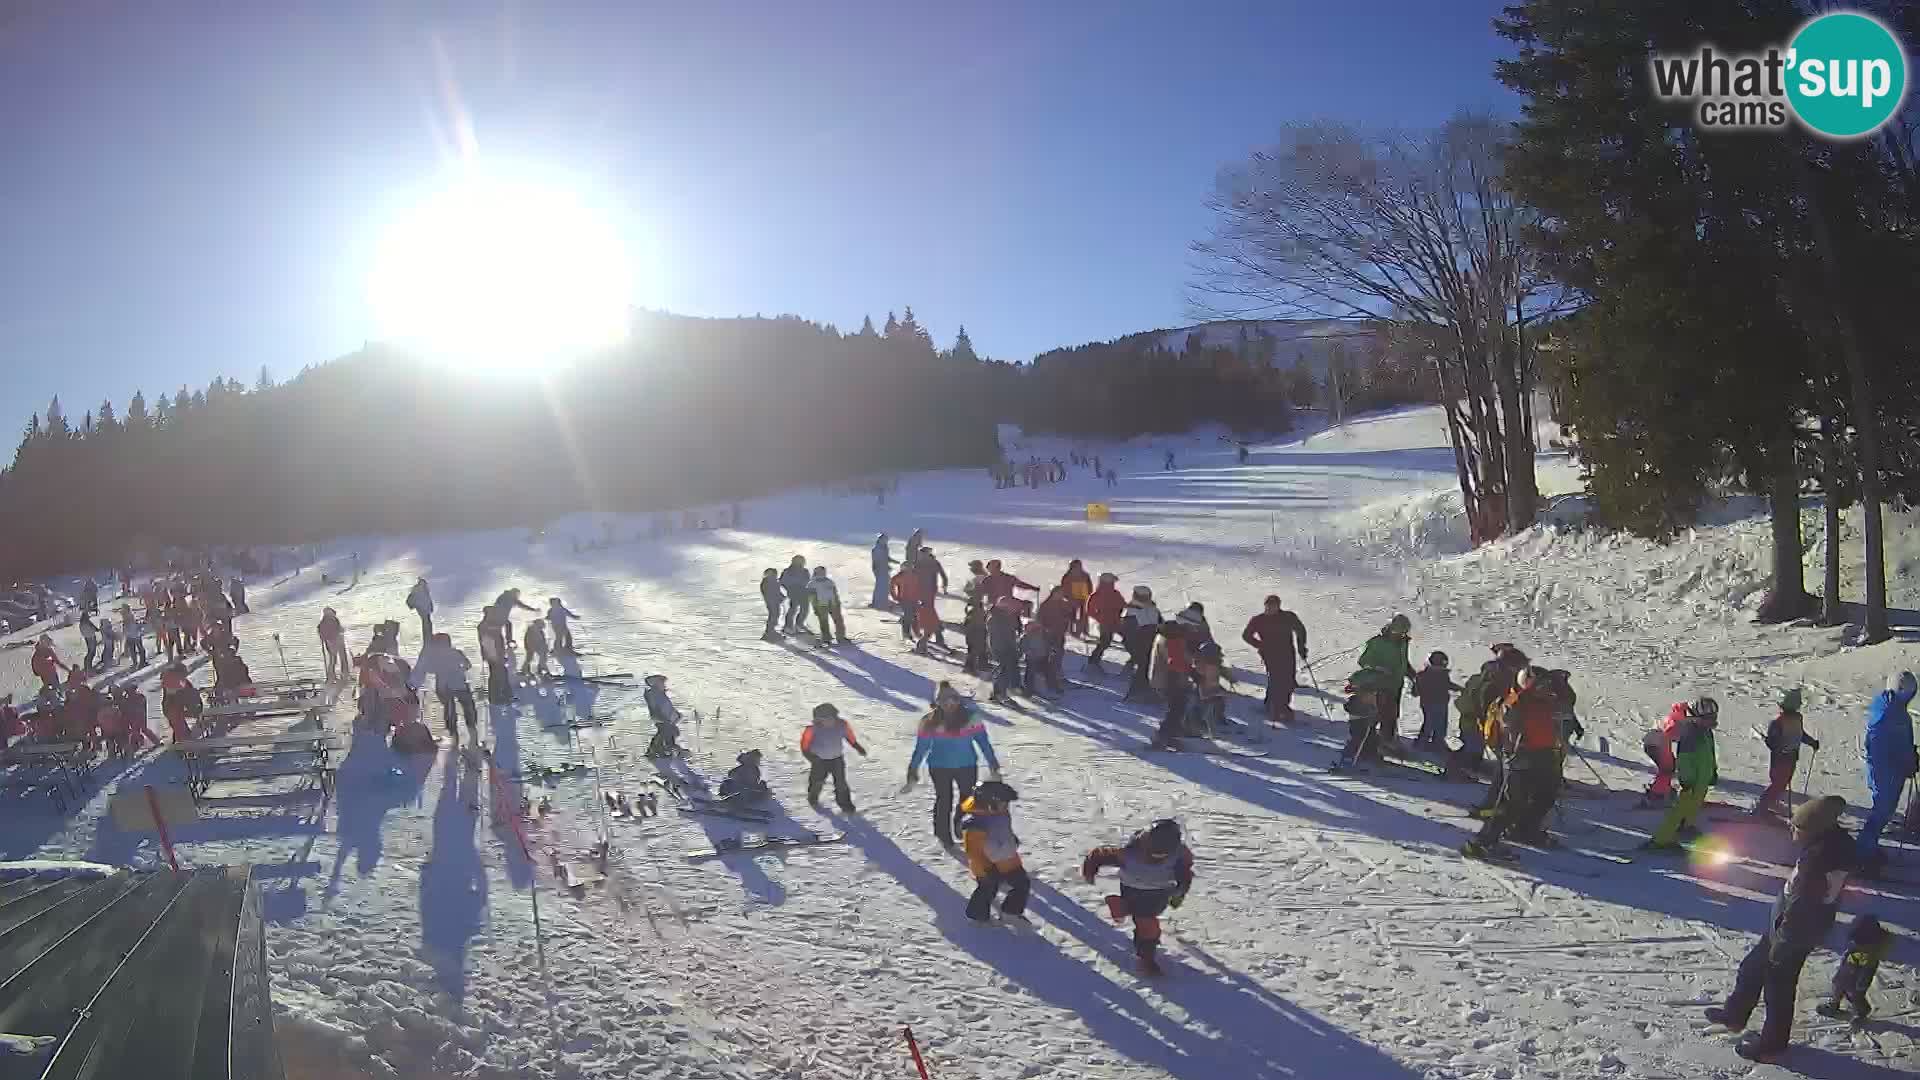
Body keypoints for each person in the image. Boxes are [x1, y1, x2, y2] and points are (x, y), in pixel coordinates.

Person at [1705, 795, 1854, 1062]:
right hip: (1786, 926)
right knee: (1752, 968)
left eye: (1797, 827)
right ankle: (1735, 1014)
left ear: (1813, 831)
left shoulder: (1817, 862)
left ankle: (1773, 1043)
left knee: (1778, 986)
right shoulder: (1827, 846)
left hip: (1794, 932)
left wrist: (1784, 940)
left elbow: (1803, 906)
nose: (1792, 830)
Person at [1461, 667, 1565, 859]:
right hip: (1522, 756)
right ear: (1527, 684)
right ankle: (1482, 843)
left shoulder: (1548, 701)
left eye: (1546, 685)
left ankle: (1526, 830)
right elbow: (1509, 727)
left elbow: (1555, 721)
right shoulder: (1516, 702)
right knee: (1513, 802)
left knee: (1547, 795)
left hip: (1545, 754)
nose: (1545, 688)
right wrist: (1515, 749)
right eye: (1540, 685)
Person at [1083, 819, 1195, 976]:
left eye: (1162, 855)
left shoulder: (1179, 854)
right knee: (1148, 926)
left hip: (1160, 893)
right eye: (1153, 853)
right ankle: (1146, 960)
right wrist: (1090, 867)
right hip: (1132, 888)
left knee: (1147, 917)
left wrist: (1180, 891)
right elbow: (1101, 855)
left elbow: (1185, 872)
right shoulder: (1130, 851)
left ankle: (1122, 908)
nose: (1156, 857)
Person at [907, 683, 1002, 845]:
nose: (950, 704)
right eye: (944, 700)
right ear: (937, 702)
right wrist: (913, 768)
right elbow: (921, 748)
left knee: (968, 797)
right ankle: (943, 834)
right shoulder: (929, 721)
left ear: (958, 700)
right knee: (944, 799)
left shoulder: (971, 717)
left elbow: (983, 742)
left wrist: (992, 762)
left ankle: (961, 823)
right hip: (939, 767)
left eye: (953, 699)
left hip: (967, 765)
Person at [1857, 671, 1916, 875]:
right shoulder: (1891, 714)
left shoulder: (1891, 709)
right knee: (1881, 811)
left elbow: (1900, 743)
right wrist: (1906, 760)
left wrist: (1909, 757)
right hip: (1886, 771)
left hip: (1891, 770)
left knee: (1884, 811)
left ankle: (1869, 847)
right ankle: (1862, 854)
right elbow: (1887, 746)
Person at [1644, 697, 1719, 851]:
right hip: (1691, 779)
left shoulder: (1706, 732)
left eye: (1714, 717)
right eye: (1709, 718)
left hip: (1702, 777)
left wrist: (1713, 771)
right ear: (1698, 718)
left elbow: (1710, 753)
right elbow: (1684, 759)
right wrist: (1686, 779)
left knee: (1695, 804)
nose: (1713, 721)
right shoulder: (1689, 734)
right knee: (1680, 809)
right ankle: (1661, 840)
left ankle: (1687, 825)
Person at [960, 780, 1028, 924]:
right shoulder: (975, 824)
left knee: (1022, 883)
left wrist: (1011, 839)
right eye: (1004, 802)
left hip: (1008, 859)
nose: (1006, 805)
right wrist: (985, 869)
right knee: (988, 889)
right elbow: (973, 852)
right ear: (989, 802)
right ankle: (977, 915)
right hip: (986, 866)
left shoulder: (1000, 812)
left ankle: (1011, 911)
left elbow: (1002, 828)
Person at [1752, 688, 1820, 818]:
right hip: (1780, 759)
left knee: (1783, 782)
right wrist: (1770, 741)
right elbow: (1773, 744)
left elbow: (1800, 735)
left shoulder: (1797, 719)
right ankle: (1761, 807)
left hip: (1792, 757)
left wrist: (1812, 742)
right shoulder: (1777, 723)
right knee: (1777, 783)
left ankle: (1772, 803)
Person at [1241, 596, 1308, 724]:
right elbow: (1246, 635)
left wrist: (1301, 647)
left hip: (1287, 652)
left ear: (1278, 606)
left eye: (1273, 606)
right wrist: (1260, 645)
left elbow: (1300, 630)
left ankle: (1277, 704)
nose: (1270, 609)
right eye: (1268, 606)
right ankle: (1278, 708)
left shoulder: (1288, 617)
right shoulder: (1258, 620)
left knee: (1288, 680)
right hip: (1270, 654)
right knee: (1276, 680)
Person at [1817, 915, 1891, 1027]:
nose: (1855, 943)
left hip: (1857, 979)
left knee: (1855, 996)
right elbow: (1849, 955)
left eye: (1858, 942)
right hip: (1846, 971)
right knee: (1837, 985)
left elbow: (1868, 971)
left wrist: (1862, 983)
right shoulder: (1857, 946)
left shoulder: (1870, 955)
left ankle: (1862, 1012)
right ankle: (1834, 1004)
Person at [1356, 615, 1415, 752]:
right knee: (1378, 714)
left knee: (1392, 714)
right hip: (1379, 685)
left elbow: (1403, 662)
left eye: (1402, 633)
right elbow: (1363, 661)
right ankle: (1368, 742)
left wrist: (1412, 675)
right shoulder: (1377, 643)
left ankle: (1388, 739)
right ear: (1390, 628)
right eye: (1397, 632)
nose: (1399, 635)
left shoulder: (1403, 643)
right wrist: (1378, 668)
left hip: (1396, 685)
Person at [411, 632, 479, 744]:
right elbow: (468, 665)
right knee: (467, 706)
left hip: (444, 685)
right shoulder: (456, 653)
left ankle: (453, 733)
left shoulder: (434, 657)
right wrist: (460, 670)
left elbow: (429, 669)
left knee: (449, 708)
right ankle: (472, 728)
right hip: (459, 684)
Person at [800, 702, 868, 812]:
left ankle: (845, 804)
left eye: (830, 718)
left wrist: (857, 746)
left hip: (837, 759)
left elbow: (849, 737)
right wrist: (812, 758)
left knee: (841, 783)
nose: (829, 721)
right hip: (819, 761)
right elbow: (805, 746)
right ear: (818, 720)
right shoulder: (812, 729)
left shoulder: (842, 725)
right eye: (824, 719)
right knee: (817, 781)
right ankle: (813, 797)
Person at [1149, 621, 1193, 750]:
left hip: (1162, 678)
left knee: (1176, 708)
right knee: (1176, 709)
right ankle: (1162, 736)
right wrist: (1192, 673)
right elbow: (1175, 662)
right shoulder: (1172, 641)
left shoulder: (1162, 638)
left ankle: (1170, 736)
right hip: (1170, 679)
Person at [1640, 701, 1690, 808]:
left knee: (1669, 766)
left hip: (1654, 744)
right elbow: (1670, 733)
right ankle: (1656, 794)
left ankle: (1662, 788)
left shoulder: (1673, 717)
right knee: (1667, 769)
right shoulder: (1675, 721)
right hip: (1656, 745)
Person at [1120, 587, 1163, 702]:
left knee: (1148, 666)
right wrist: (1134, 648)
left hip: (1150, 643)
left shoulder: (1153, 609)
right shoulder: (1130, 612)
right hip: (1137, 644)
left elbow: (1160, 624)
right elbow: (1127, 632)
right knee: (1143, 665)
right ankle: (1135, 692)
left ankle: (1144, 688)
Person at [1412, 652, 1460, 750]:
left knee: (1439, 723)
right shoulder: (1426, 675)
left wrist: (1457, 688)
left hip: (1439, 702)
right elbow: (1416, 690)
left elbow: (1447, 684)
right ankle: (1424, 742)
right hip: (1431, 702)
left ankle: (1436, 742)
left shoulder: (1439, 674)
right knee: (1431, 723)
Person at [1085, 573, 1126, 674]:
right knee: (1105, 642)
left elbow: (1122, 604)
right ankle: (1093, 661)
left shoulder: (1115, 593)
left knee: (1128, 638)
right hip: (1106, 623)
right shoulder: (1097, 595)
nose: (1112, 584)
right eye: (1111, 582)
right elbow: (1089, 610)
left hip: (1116, 621)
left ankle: (1133, 662)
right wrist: (1100, 618)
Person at [987, 598, 1023, 704]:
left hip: (1007, 646)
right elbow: (1000, 635)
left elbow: (1013, 629)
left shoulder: (1004, 616)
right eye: (1009, 608)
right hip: (1001, 648)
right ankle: (999, 694)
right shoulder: (995, 618)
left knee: (1005, 670)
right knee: (1003, 671)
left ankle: (999, 693)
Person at [1036, 586, 1073, 689]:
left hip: (1060, 633)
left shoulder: (1064, 604)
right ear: (1053, 593)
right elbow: (1039, 619)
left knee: (1059, 654)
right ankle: (1045, 676)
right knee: (1048, 655)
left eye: (1062, 593)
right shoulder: (1046, 605)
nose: (1060, 595)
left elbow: (1069, 616)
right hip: (1048, 634)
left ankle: (1057, 675)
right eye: (1059, 593)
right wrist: (1045, 628)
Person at [477, 606, 512, 704]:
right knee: (495, 675)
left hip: (498, 652)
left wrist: (508, 639)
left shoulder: (493, 622)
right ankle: (495, 697)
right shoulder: (484, 626)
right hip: (492, 654)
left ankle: (506, 694)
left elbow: (508, 623)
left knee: (502, 672)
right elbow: (484, 642)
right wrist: (489, 654)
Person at [644, 674, 685, 758]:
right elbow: (654, 707)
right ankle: (662, 750)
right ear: (655, 683)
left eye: (663, 682)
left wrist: (676, 714)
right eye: (661, 682)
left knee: (665, 733)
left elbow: (668, 706)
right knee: (665, 733)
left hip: (666, 718)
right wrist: (660, 717)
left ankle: (659, 750)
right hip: (661, 718)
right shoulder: (653, 694)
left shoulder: (661, 693)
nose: (664, 684)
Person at [160, 663, 199, 743]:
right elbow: (176, 692)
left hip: (173, 706)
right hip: (172, 707)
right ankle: (181, 745)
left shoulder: (177, 679)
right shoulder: (171, 680)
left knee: (180, 727)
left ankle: (181, 741)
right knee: (179, 728)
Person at [809, 566, 847, 646]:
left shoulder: (829, 581)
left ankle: (841, 636)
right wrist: (815, 607)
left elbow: (834, 593)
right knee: (824, 622)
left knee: (838, 620)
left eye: (823, 571)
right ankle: (826, 638)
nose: (822, 573)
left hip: (833, 604)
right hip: (821, 605)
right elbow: (812, 597)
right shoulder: (812, 584)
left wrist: (837, 602)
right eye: (820, 572)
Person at [890, 564, 925, 643]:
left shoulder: (915, 576)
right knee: (909, 616)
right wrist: (895, 597)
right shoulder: (900, 577)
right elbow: (892, 587)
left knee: (914, 616)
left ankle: (915, 633)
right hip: (905, 600)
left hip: (912, 600)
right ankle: (907, 634)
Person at [1019, 620, 1053, 697]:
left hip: (1042, 657)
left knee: (1041, 673)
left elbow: (1047, 644)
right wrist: (1028, 651)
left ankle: (1040, 688)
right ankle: (1029, 689)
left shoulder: (1043, 636)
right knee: (1031, 673)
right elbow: (1023, 646)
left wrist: (1049, 651)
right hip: (1032, 658)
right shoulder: (1027, 637)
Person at [779, 557, 813, 633]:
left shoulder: (805, 571)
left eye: (801, 561)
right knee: (793, 608)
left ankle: (799, 624)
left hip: (803, 591)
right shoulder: (788, 571)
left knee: (805, 609)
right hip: (793, 591)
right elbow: (782, 581)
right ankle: (788, 626)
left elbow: (808, 580)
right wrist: (790, 587)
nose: (800, 563)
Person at [1061, 560, 1093, 637]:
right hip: (1073, 598)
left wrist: (1089, 594)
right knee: (1072, 614)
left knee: (1083, 615)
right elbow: (1064, 586)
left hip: (1082, 597)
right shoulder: (1068, 576)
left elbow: (1089, 586)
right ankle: (1072, 630)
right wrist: (1066, 596)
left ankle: (1083, 630)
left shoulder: (1084, 575)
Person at [318, 607, 350, 683]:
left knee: (343, 658)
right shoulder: (324, 622)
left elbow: (339, 628)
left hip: (339, 641)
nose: (330, 613)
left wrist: (341, 631)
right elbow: (322, 633)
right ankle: (332, 676)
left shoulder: (334, 619)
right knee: (333, 659)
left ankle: (344, 674)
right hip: (332, 642)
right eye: (328, 612)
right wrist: (326, 639)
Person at [961, 599, 990, 676]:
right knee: (975, 653)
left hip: (971, 637)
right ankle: (970, 668)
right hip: (977, 637)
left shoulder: (971, 613)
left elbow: (965, 625)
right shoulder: (980, 614)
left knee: (974, 652)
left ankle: (979, 666)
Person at [870, 534, 895, 608]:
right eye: (884, 539)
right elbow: (878, 561)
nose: (886, 541)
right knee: (880, 585)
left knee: (886, 585)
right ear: (880, 540)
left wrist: (892, 561)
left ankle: (884, 600)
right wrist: (885, 566)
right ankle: (877, 602)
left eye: (886, 540)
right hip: (879, 569)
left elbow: (886, 558)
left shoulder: (884, 547)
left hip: (884, 569)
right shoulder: (877, 549)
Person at [759, 568, 784, 640]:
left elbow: (777, 591)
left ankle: (771, 631)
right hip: (771, 602)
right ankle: (769, 632)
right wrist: (778, 597)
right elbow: (769, 593)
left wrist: (781, 597)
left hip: (775, 601)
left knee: (776, 615)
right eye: (771, 574)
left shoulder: (774, 581)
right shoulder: (766, 582)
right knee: (773, 615)